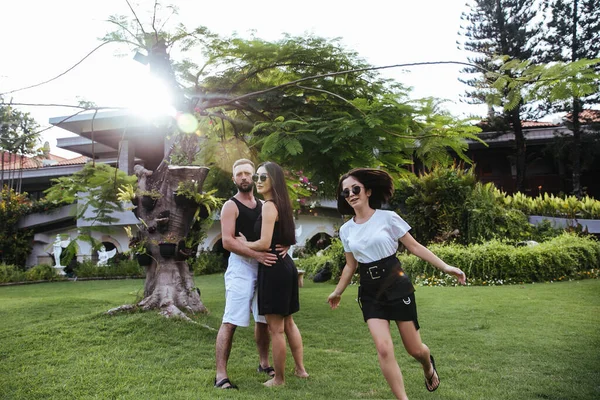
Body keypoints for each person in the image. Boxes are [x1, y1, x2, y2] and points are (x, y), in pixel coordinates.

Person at [327, 168, 466, 400]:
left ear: (368, 191)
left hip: (396, 283)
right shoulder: (346, 230)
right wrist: (337, 291)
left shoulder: (388, 218)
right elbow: (350, 266)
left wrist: (446, 267)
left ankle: (427, 365)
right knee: (383, 348)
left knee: (415, 349)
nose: (351, 194)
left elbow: (415, 246)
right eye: (345, 192)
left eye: (355, 189)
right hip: (370, 291)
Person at [236, 161, 309, 386]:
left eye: (262, 177)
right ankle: (300, 370)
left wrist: (245, 243)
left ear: (273, 180)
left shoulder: (268, 206)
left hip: (274, 268)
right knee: (289, 323)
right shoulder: (282, 204)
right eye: (256, 177)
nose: (257, 181)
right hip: (286, 265)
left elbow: (265, 242)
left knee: (276, 329)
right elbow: (287, 238)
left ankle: (279, 379)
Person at [214, 159, 280, 390]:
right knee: (231, 320)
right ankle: (220, 374)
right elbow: (228, 241)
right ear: (234, 179)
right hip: (241, 267)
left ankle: (264, 363)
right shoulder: (230, 206)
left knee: (262, 320)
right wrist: (257, 254)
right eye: (239, 174)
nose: (243, 177)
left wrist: (285, 246)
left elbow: (276, 232)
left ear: (254, 178)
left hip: (263, 269)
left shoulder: (264, 205)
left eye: (247, 173)